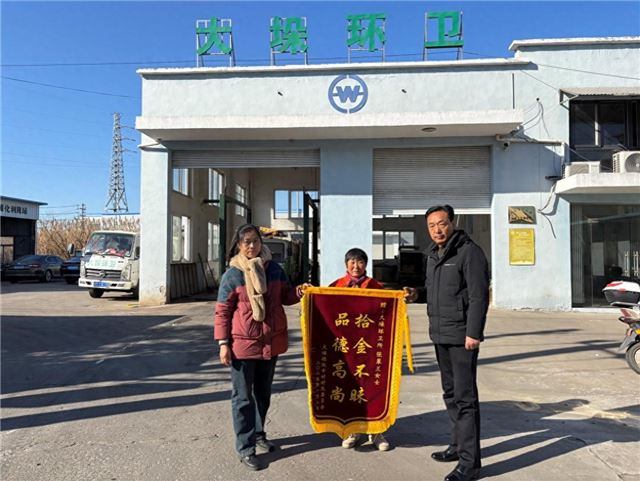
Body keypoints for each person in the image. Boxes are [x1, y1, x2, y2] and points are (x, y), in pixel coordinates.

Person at [405, 205, 489, 481]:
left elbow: (478, 296)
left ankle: (470, 463)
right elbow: (435, 291)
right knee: (450, 394)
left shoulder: (469, 252)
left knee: (465, 399)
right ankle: (457, 445)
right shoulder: (433, 254)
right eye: (431, 226)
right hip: (440, 334)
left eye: (441, 223)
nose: (437, 230)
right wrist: (416, 294)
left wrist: (473, 333)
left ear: (452, 223)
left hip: (462, 337)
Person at [214, 223, 306, 471]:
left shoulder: (274, 269)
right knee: (243, 398)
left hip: (270, 343)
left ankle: (258, 433)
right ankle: (246, 448)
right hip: (242, 346)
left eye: (255, 241)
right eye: (247, 242)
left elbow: (285, 296)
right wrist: (223, 343)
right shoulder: (233, 275)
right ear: (239, 245)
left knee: (263, 394)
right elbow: (222, 311)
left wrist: (299, 292)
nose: (252, 246)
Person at [329, 247, 391, 452]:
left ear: (366, 264)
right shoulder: (336, 286)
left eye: (360, 262)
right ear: (346, 264)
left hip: (369, 346)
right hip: (347, 347)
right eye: (352, 262)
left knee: (373, 387)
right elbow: (324, 307)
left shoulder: (374, 286)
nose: (356, 266)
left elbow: (389, 308)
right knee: (349, 387)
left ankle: (376, 431)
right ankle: (353, 430)